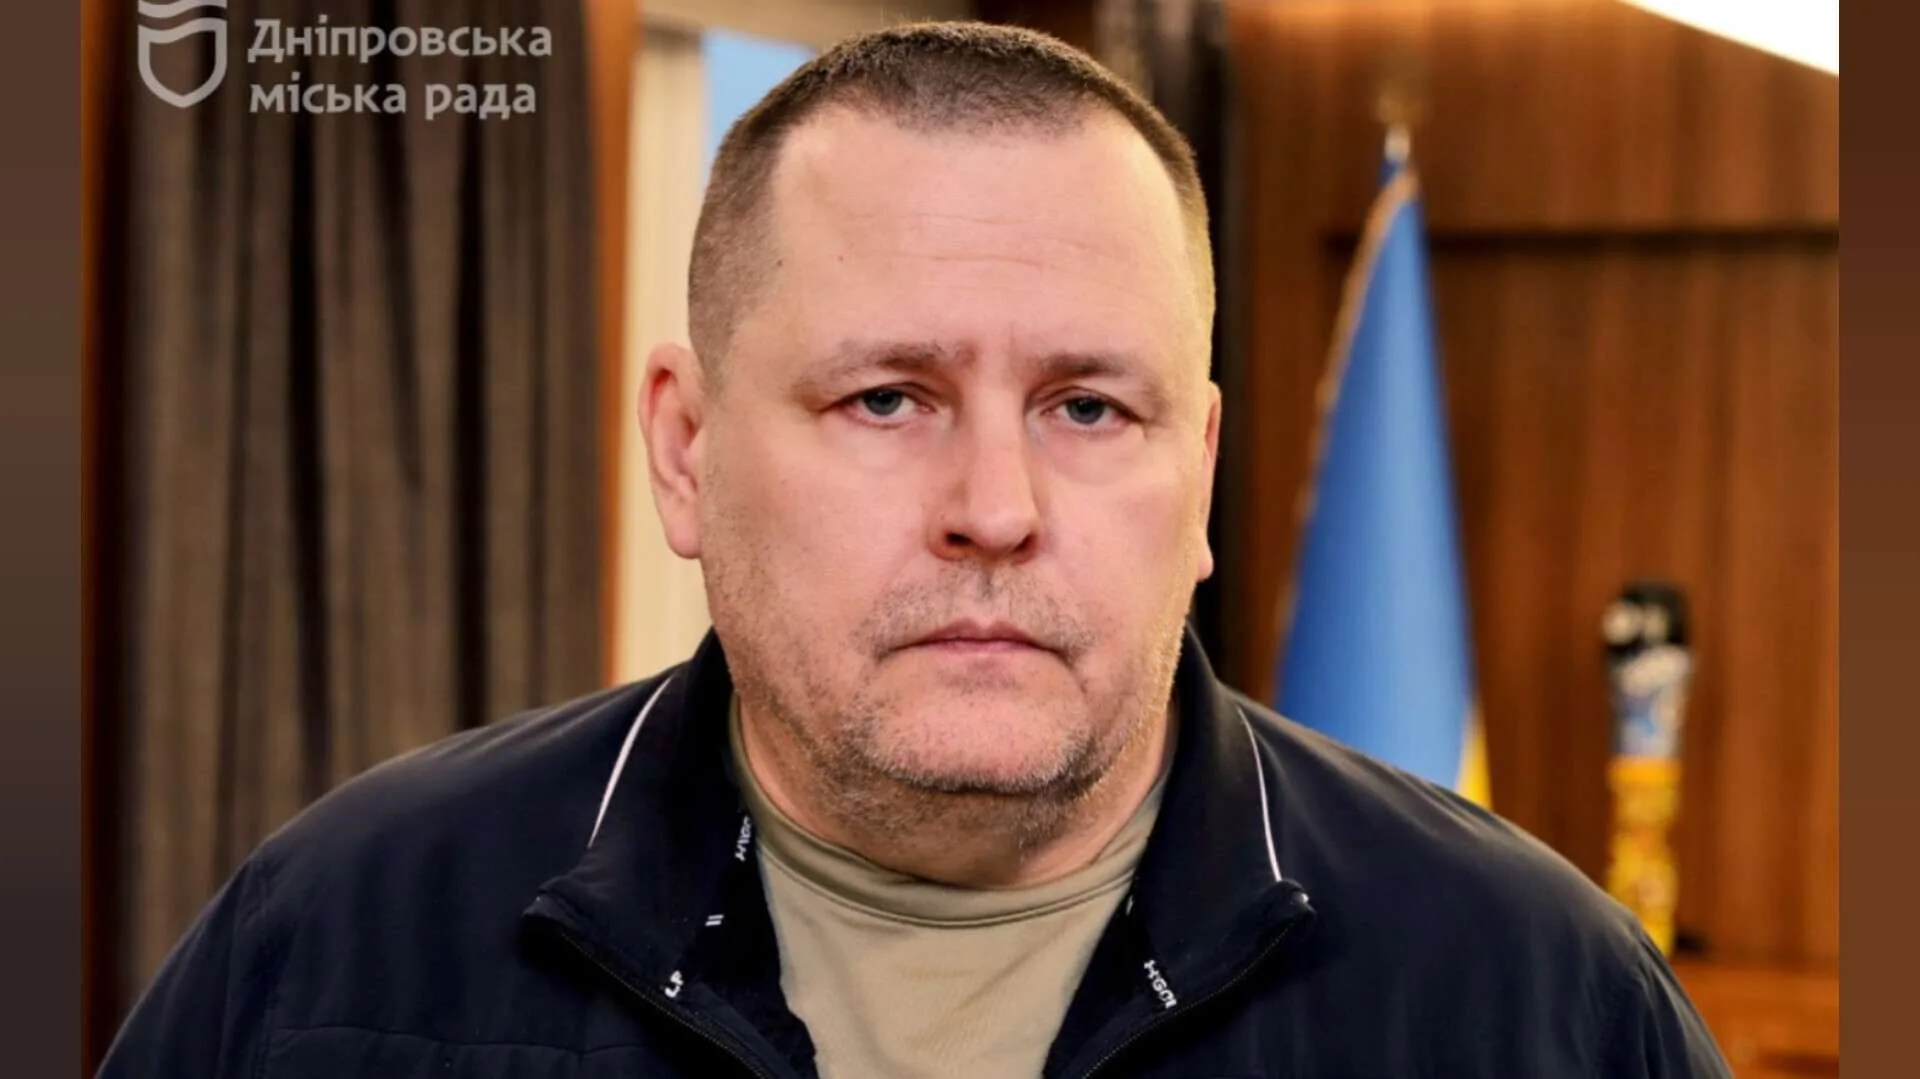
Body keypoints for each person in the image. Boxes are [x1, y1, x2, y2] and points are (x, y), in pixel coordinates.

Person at [99, 21, 1732, 1079]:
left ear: (1202, 471)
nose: (996, 504)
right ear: (684, 447)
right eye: (888, 397)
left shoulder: (1539, 1003)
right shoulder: (333, 951)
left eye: (1089, 407)